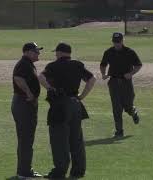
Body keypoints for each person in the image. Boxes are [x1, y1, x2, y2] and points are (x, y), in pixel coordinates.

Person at [38, 43, 96, 179]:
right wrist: (82, 96)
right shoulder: (78, 65)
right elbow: (92, 79)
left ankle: (60, 171)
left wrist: (50, 88)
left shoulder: (53, 66)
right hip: (75, 104)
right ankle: (78, 171)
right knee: (76, 139)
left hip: (59, 105)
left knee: (59, 140)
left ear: (59, 53)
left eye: (56, 52)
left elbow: (40, 77)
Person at [100, 32, 142, 138]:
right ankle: (119, 131)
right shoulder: (108, 52)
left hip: (126, 82)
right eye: (115, 42)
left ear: (122, 41)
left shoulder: (130, 52)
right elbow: (103, 64)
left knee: (128, 105)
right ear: (112, 41)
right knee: (116, 107)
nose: (117, 44)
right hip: (113, 82)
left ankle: (133, 112)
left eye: (118, 42)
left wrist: (131, 73)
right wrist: (103, 74)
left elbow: (138, 65)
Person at [11, 42, 43, 179]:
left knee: (27, 140)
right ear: (28, 52)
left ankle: (25, 170)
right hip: (24, 104)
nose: (38, 53)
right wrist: (29, 93)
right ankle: (23, 172)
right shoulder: (24, 64)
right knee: (26, 140)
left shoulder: (28, 64)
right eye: (36, 51)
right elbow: (18, 78)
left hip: (25, 104)